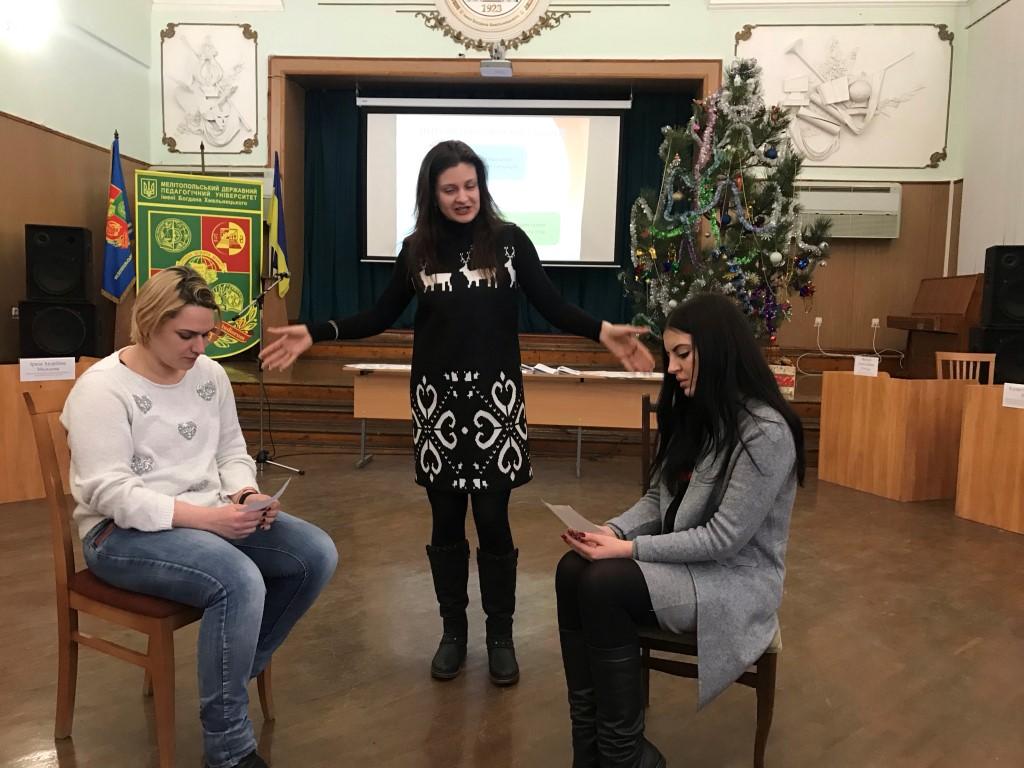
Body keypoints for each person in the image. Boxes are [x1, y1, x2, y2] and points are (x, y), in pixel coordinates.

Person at [260, 140, 653, 686]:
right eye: (450, 189)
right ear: (433, 193)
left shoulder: (510, 242)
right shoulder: (416, 250)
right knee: (445, 522)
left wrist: (603, 331)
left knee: (493, 521)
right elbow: (379, 315)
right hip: (438, 408)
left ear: (481, 187)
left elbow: (553, 305)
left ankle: (500, 637)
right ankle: (452, 633)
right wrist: (316, 331)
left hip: (496, 406)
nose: (463, 197)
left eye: (470, 186)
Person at [61, 267, 338, 768]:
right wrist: (209, 520)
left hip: (207, 512)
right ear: (149, 324)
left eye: (207, 335)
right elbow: (111, 493)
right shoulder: (101, 388)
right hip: (118, 534)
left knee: (315, 553)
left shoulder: (210, 375)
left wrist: (246, 493)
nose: (200, 347)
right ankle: (228, 750)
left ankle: (228, 675)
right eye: (187, 335)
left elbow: (231, 450)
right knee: (239, 579)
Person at [555, 292, 804, 768]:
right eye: (669, 355)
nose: (671, 368)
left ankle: (624, 755)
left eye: (682, 354)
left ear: (720, 350)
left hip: (734, 580)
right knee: (572, 570)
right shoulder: (696, 412)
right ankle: (590, 750)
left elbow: (723, 539)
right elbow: (657, 499)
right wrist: (608, 530)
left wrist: (627, 550)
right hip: (689, 567)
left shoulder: (766, 431)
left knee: (604, 584)